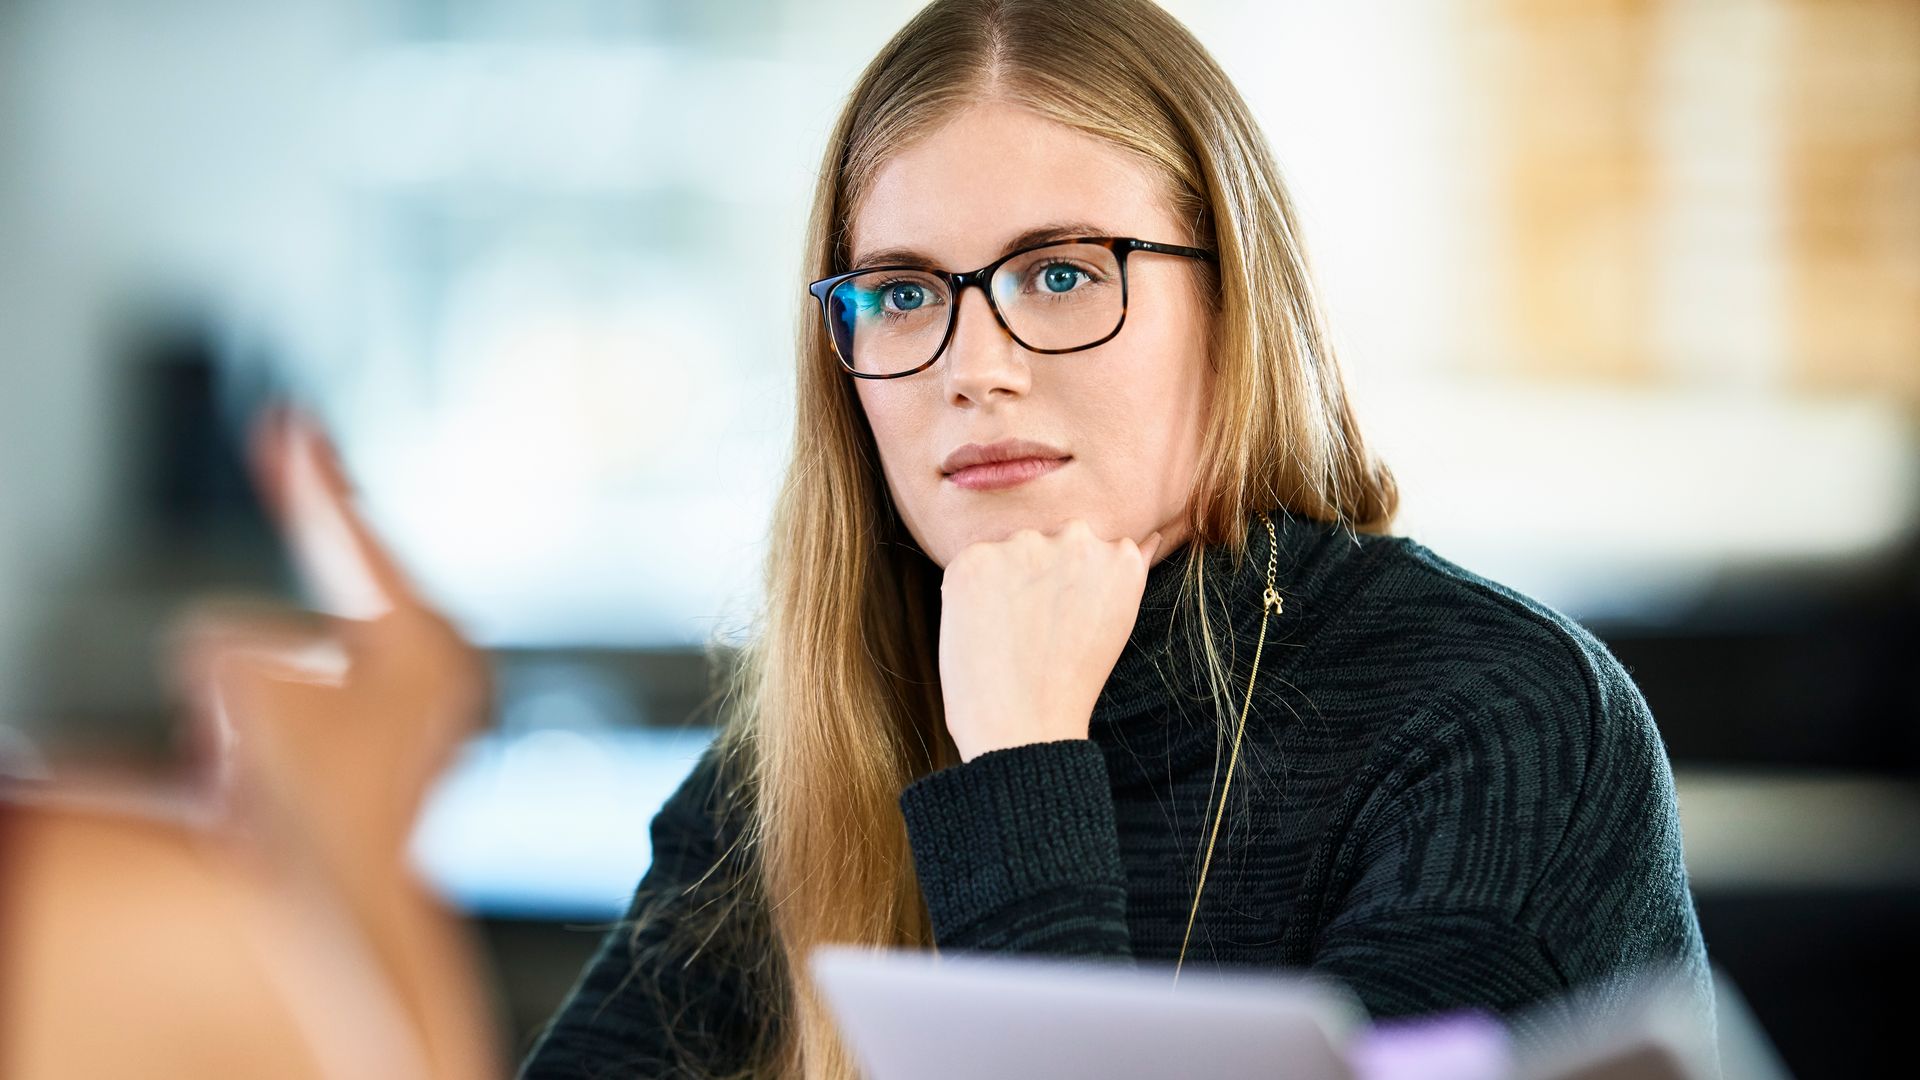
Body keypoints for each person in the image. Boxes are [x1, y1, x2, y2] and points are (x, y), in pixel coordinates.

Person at [519, 1, 1713, 1077]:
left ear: (1233, 299)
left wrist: (1022, 766)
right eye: (899, 293)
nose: (974, 369)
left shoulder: (1498, 722)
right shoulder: (802, 755)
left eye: (1060, 274)